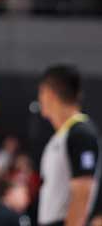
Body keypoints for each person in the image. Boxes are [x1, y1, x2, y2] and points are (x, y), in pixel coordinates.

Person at [37, 64, 101, 226]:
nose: (39, 99)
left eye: (41, 93)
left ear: (49, 93)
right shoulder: (61, 136)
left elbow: (83, 190)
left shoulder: (81, 134)